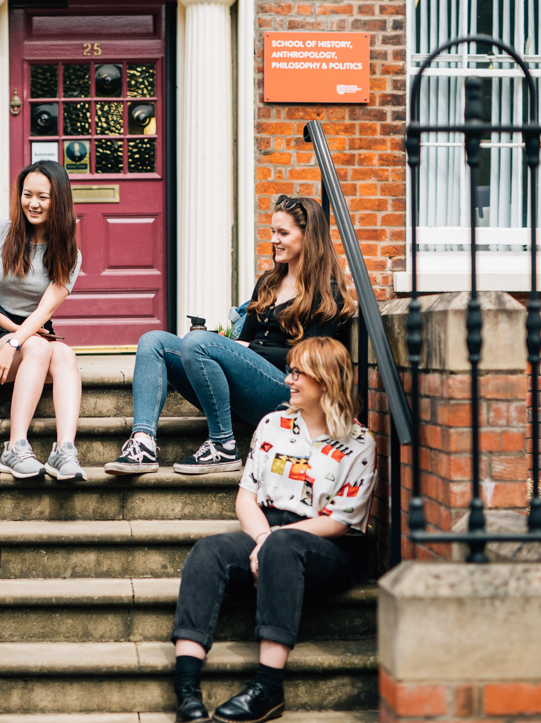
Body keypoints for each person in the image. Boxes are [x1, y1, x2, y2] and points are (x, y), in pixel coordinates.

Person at [170, 337, 376, 723]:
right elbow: (246, 499)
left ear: (326, 381)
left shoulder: (359, 442)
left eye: (299, 373)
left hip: (325, 545)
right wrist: (263, 538)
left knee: (285, 543)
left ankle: (268, 687)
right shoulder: (272, 425)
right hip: (268, 530)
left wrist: (276, 542)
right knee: (208, 551)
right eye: (291, 370)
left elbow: (339, 520)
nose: (289, 380)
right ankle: (187, 686)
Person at [105, 195, 354, 476]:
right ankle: (143, 444)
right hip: (240, 389)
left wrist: (249, 350)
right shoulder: (268, 282)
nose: (274, 239)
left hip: (284, 391)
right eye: (273, 231)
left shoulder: (326, 292)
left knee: (197, 342)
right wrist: (241, 348)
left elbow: (313, 361)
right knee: (153, 341)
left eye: (283, 233)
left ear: (309, 238)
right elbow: (243, 341)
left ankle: (223, 444)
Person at [0, 160, 84, 482]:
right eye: (27, 195)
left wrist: (21, 338)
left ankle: (65, 450)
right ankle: (15, 447)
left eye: (43, 197)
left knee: (65, 355)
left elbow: (44, 311)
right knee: (40, 349)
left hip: (34, 328)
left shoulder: (68, 250)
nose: (33, 203)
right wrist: (15, 337)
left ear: (59, 200)